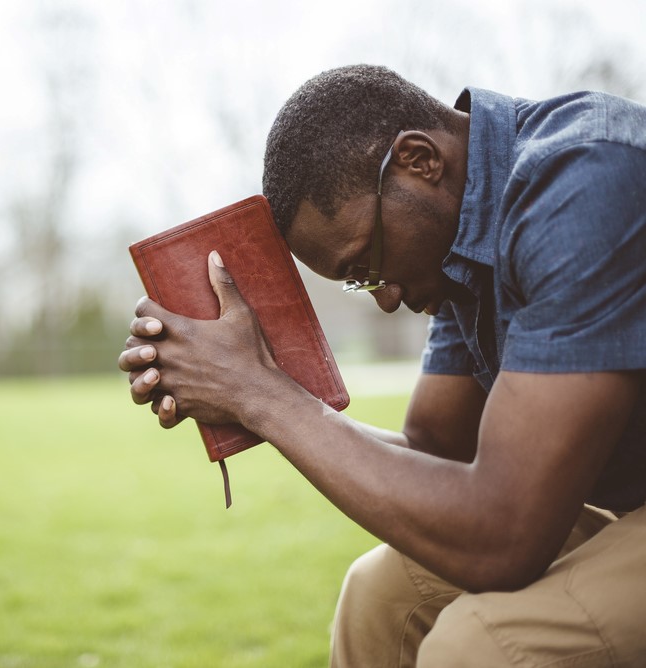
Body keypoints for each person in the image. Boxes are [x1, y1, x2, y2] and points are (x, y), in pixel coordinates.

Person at [118, 64, 646, 666]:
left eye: (368, 264)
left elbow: (503, 537)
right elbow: (436, 453)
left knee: (480, 646)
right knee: (382, 595)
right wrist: (255, 388)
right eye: (359, 283)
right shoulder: (462, 230)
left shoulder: (582, 184)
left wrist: (261, 396)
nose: (387, 298)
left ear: (419, 161)